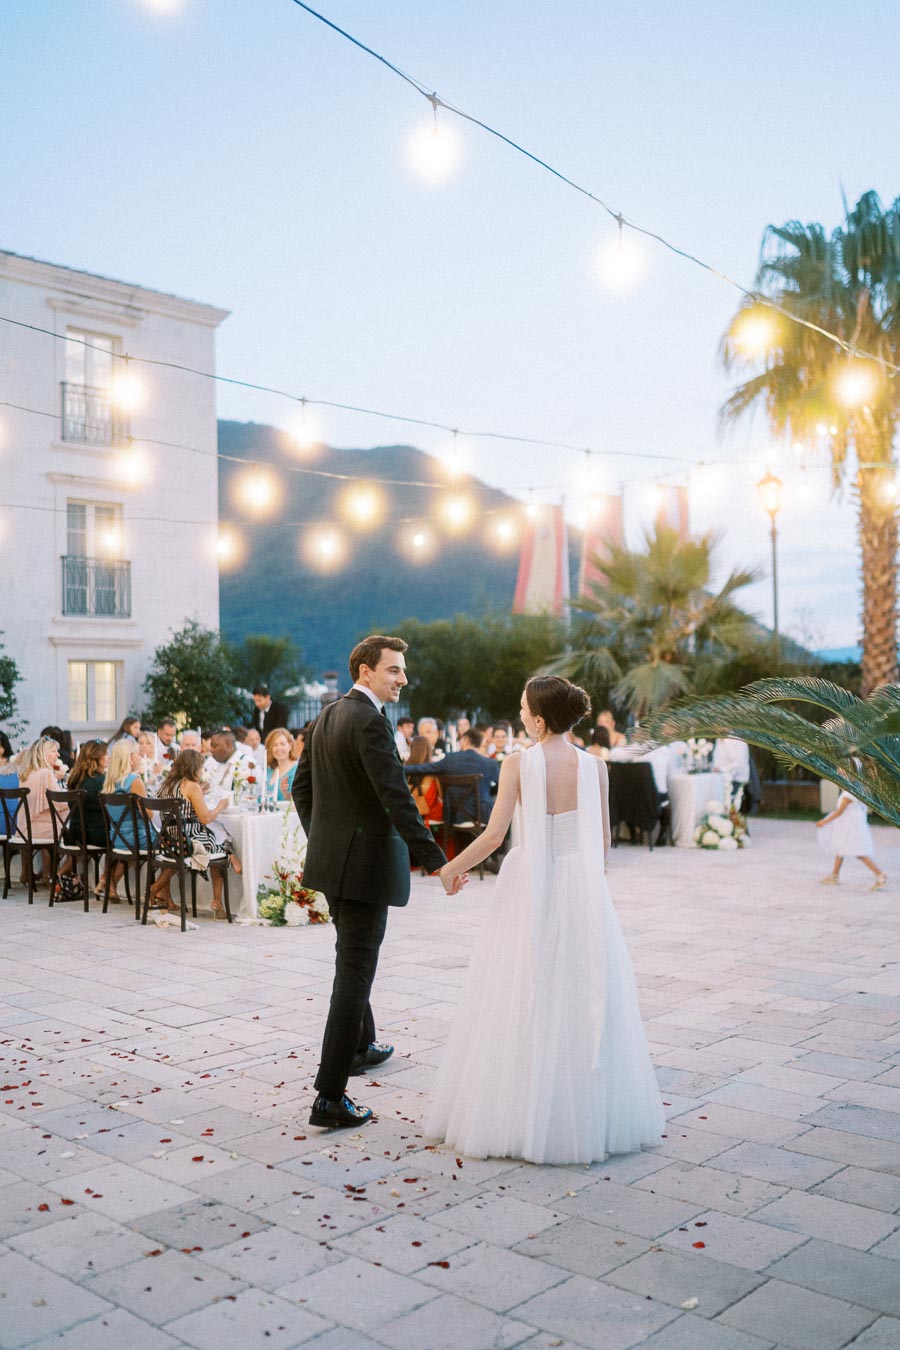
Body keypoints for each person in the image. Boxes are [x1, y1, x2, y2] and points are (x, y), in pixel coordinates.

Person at [430, 674, 665, 1164]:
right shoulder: (596, 767)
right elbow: (603, 843)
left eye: (522, 708)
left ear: (538, 720)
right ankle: (583, 1105)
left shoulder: (517, 763)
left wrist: (450, 868)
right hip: (581, 885)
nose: (519, 714)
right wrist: (582, 878)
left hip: (529, 882)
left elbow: (494, 836)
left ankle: (520, 1108)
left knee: (522, 984)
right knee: (581, 986)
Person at [294, 634, 454, 1131]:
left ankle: (362, 1045)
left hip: (334, 864)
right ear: (365, 671)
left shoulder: (326, 717)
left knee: (351, 958)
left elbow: (300, 788)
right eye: (394, 669)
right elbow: (396, 798)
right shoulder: (370, 720)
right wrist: (437, 861)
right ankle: (329, 1096)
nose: (403, 678)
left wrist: (325, 840)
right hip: (362, 869)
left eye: (403, 670)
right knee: (354, 974)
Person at [150, 750, 235, 917]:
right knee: (223, 847)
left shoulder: (166, 785)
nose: (202, 771)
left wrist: (199, 793)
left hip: (168, 840)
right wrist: (221, 806)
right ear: (194, 767)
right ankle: (218, 902)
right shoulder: (191, 786)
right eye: (201, 767)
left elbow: (182, 808)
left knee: (216, 840)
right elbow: (205, 818)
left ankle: (156, 889)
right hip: (188, 840)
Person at [406, 727, 500, 829]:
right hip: (483, 816)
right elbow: (503, 786)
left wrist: (401, 768)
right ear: (480, 743)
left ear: (466, 741)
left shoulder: (450, 759)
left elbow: (424, 768)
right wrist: (489, 791)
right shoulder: (490, 764)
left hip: (454, 816)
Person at [102, 738, 155, 898]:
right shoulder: (134, 781)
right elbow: (149, 815)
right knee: (172, 845)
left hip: (117, 838)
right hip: (137, 839)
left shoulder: (109, 782)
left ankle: (109, 882)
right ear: (130, 758)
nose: (140, 756)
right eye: (137, 753)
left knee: (133, 849)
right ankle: (158, 892)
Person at [817, 785, 887, 891]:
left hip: (852, 829)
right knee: (840, 849)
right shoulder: (852, 792)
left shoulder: (848, 794)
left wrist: (824, 821)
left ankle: (880, 875)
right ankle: (834, 875)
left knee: (859, 853)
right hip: (848, 827)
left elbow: (839, 812)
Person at [14, 737, 63, 884]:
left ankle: (25, 872)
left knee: (41, 822)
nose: (58, 754)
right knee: (59, 828)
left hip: (22, 829)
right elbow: (60, 803)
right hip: (38, 831)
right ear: (44, 754)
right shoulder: (46, 774)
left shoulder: (25, 774)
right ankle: (47, 874)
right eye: (54, 751)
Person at [65, 739, 108, 850]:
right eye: (106, 754)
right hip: (96, 836)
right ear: (97, 757)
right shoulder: (102, 780)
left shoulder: (75, 779)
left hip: (75, 833)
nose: (108, 757)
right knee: (126, 838)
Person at [405, 735, 443, 827]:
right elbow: (441, 795)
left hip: (409, 813)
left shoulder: (405, 770)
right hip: (430, 814)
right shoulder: (433, 772)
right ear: (429, 751)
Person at [712, 737, 751, 810]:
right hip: (722, 777)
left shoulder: (738, 740)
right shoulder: (719, 739)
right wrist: (716, 768)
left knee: (728, 799)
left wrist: (722, 769)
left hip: (737, 778)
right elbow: (716, 759)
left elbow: (740, 763)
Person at [265, 728, 297, 801]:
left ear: (290, 746)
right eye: (275, 745)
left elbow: (297, 800)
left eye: (282, 744)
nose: (279, 748)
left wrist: (285, 793)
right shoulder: (269, 771)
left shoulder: (297, 770)